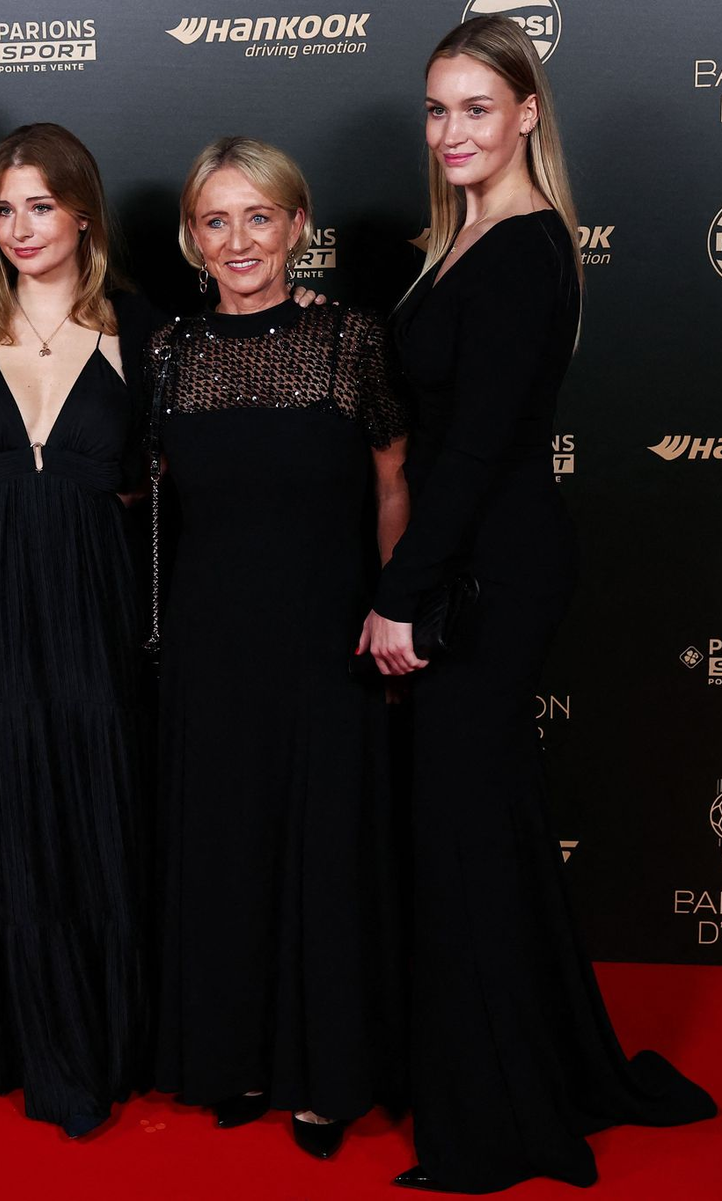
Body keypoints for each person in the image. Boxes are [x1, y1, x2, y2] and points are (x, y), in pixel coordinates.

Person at [363, 16, 717, 1192]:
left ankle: (500, 1112)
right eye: (436, 108)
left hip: (489, 574)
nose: (452, 129)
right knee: (487, 831)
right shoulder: (464, 239)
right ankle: (540, 1064)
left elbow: (475, 454)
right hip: (474, 561)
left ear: (526, 114)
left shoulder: (524, 248)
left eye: (476, 106)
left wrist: (403, 598)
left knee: (465, 836)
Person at [150, 136, 411, 1160]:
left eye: (259, 216)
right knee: (226, 852)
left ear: (299, 226)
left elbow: (394, 483)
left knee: (323, 859)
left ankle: (324, 1076)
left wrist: (395, 609)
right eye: (216, 220)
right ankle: (234, 1057)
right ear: (192, 238)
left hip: (326, 640)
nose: (239, 240)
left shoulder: (353, 341)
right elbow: (142, 490)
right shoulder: (173, 351)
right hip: (211, 647)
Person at [0, 123, 161, 1138]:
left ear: (83, 213)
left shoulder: (145, 331)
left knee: (102, 813)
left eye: (40, 205)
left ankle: (117, 1041)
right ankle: (44, 1050)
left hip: (101, 606)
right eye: (4, 208)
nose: (21, 226)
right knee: (18, 819)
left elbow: (174, 483)